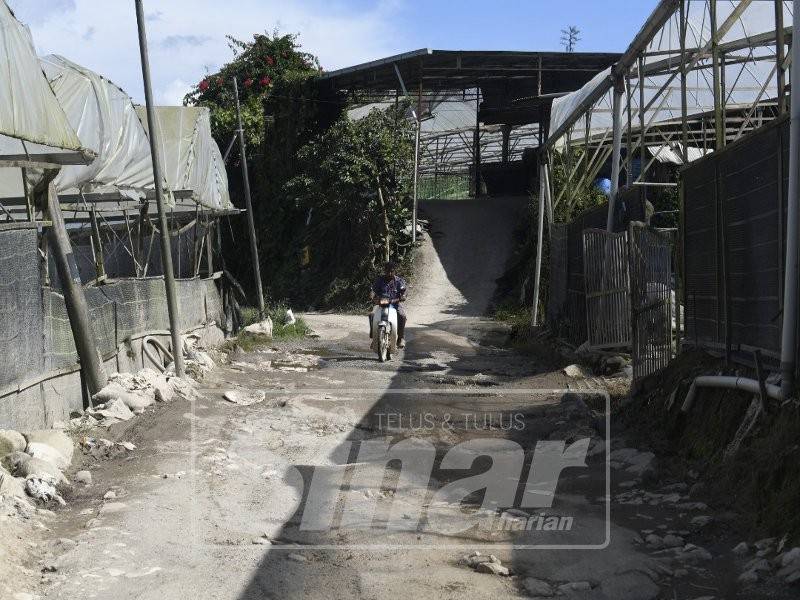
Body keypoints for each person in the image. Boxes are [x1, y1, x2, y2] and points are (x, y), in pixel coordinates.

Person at [370, 261, 407, 348]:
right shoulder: (379, 280)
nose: (389, 273)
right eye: (387, 271)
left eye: (391, 271)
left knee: (402, 316)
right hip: (381, 303)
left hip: (394, 303)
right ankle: (374, 339)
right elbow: (373, 290)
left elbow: (404, 291)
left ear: (394, 271)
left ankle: (400, 338)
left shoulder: (399, 281)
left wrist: (403, 296)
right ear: (384, 271)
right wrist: (372, 296)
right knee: (372, 315)